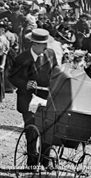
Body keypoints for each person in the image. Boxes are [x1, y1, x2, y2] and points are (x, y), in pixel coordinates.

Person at [9, 28, 58, 165]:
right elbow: (12, 77)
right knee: (31, 129)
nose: (46, 47)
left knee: (48, 130)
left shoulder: (50, 54)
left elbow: (56, 72)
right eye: (43, 45)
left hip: (46, 98)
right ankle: (31, 159)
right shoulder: (21, 58)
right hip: (28, 100)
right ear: (35, 44)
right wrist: (25, 84)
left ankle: (45, 159)